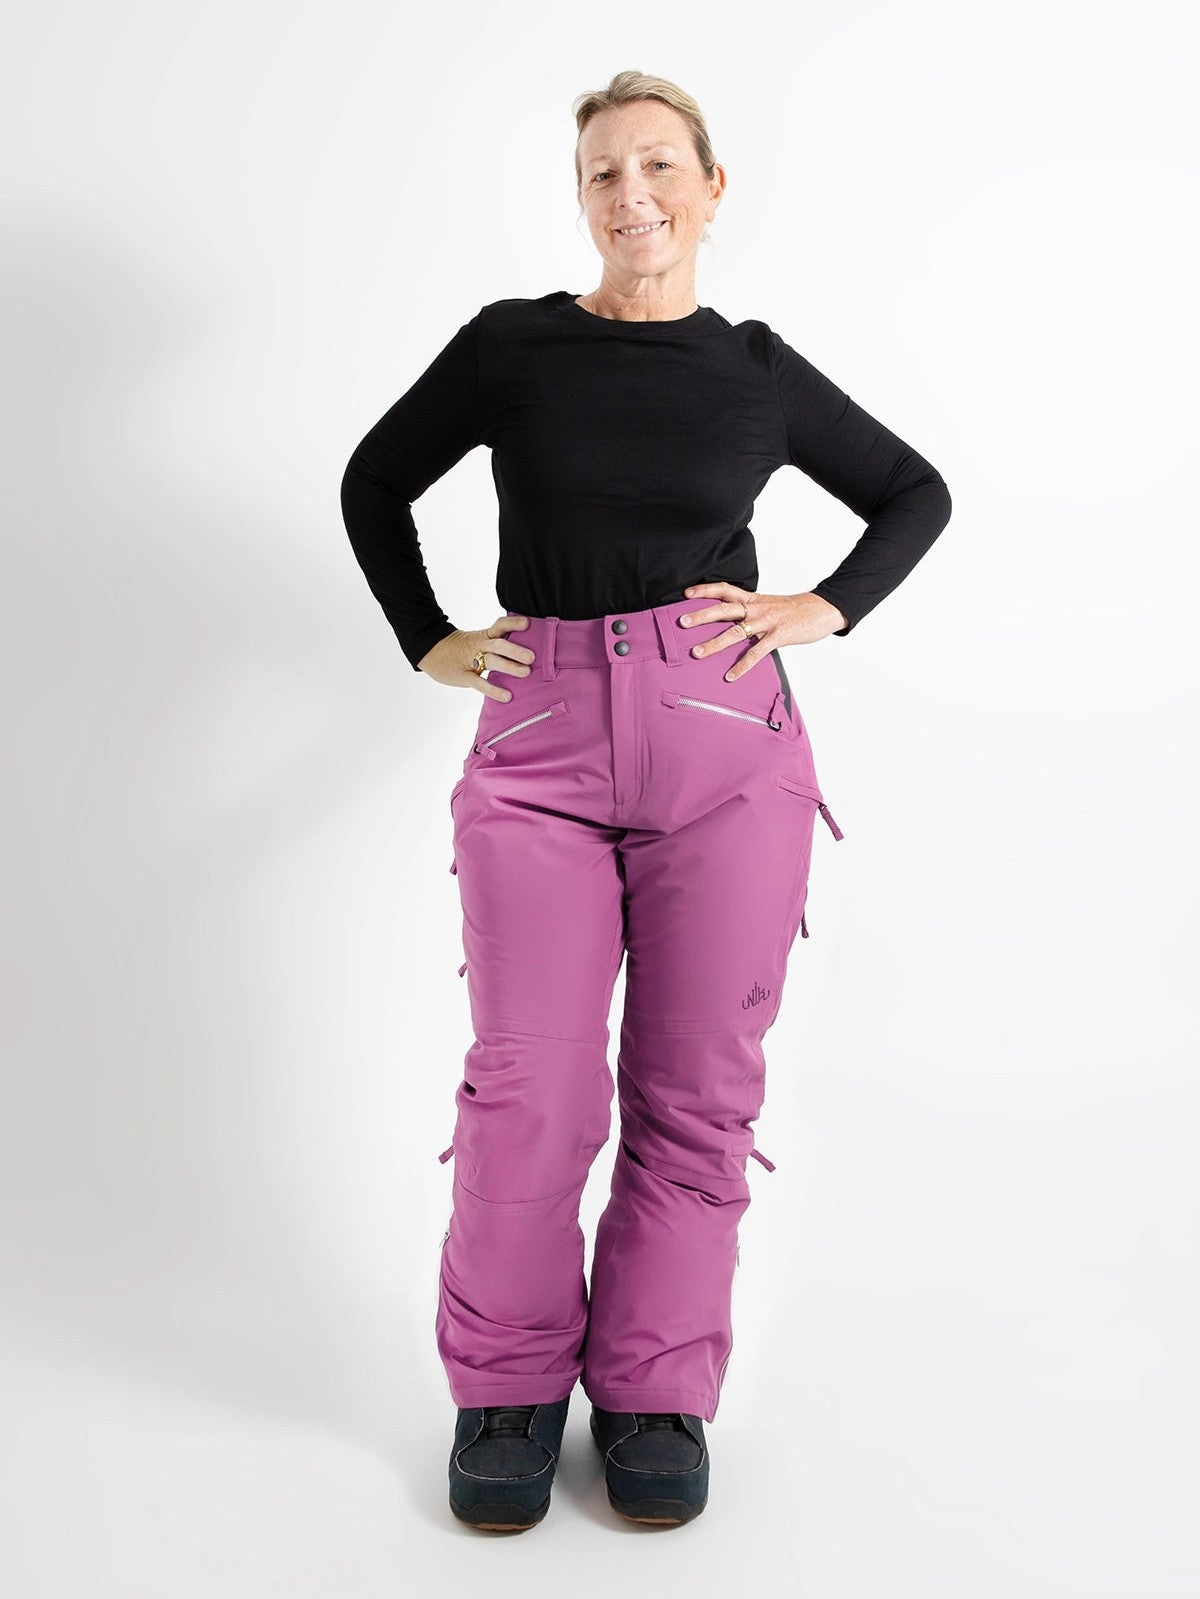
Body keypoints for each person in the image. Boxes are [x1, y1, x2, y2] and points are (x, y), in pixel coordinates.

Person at [340, 69, 952, 1533]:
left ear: (712, 188)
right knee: (531, 1088)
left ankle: (655, 1389)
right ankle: (505, 1388)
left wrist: (822, 607)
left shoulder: (757, 371)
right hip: (538, 746)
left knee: (695, 1091)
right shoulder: (513, 347)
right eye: (606, 173)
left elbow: (914, 491)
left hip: (726, 747)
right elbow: (375, 481)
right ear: (582, 200)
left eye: (661, 166)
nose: (634, 195)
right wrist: (429, 638)